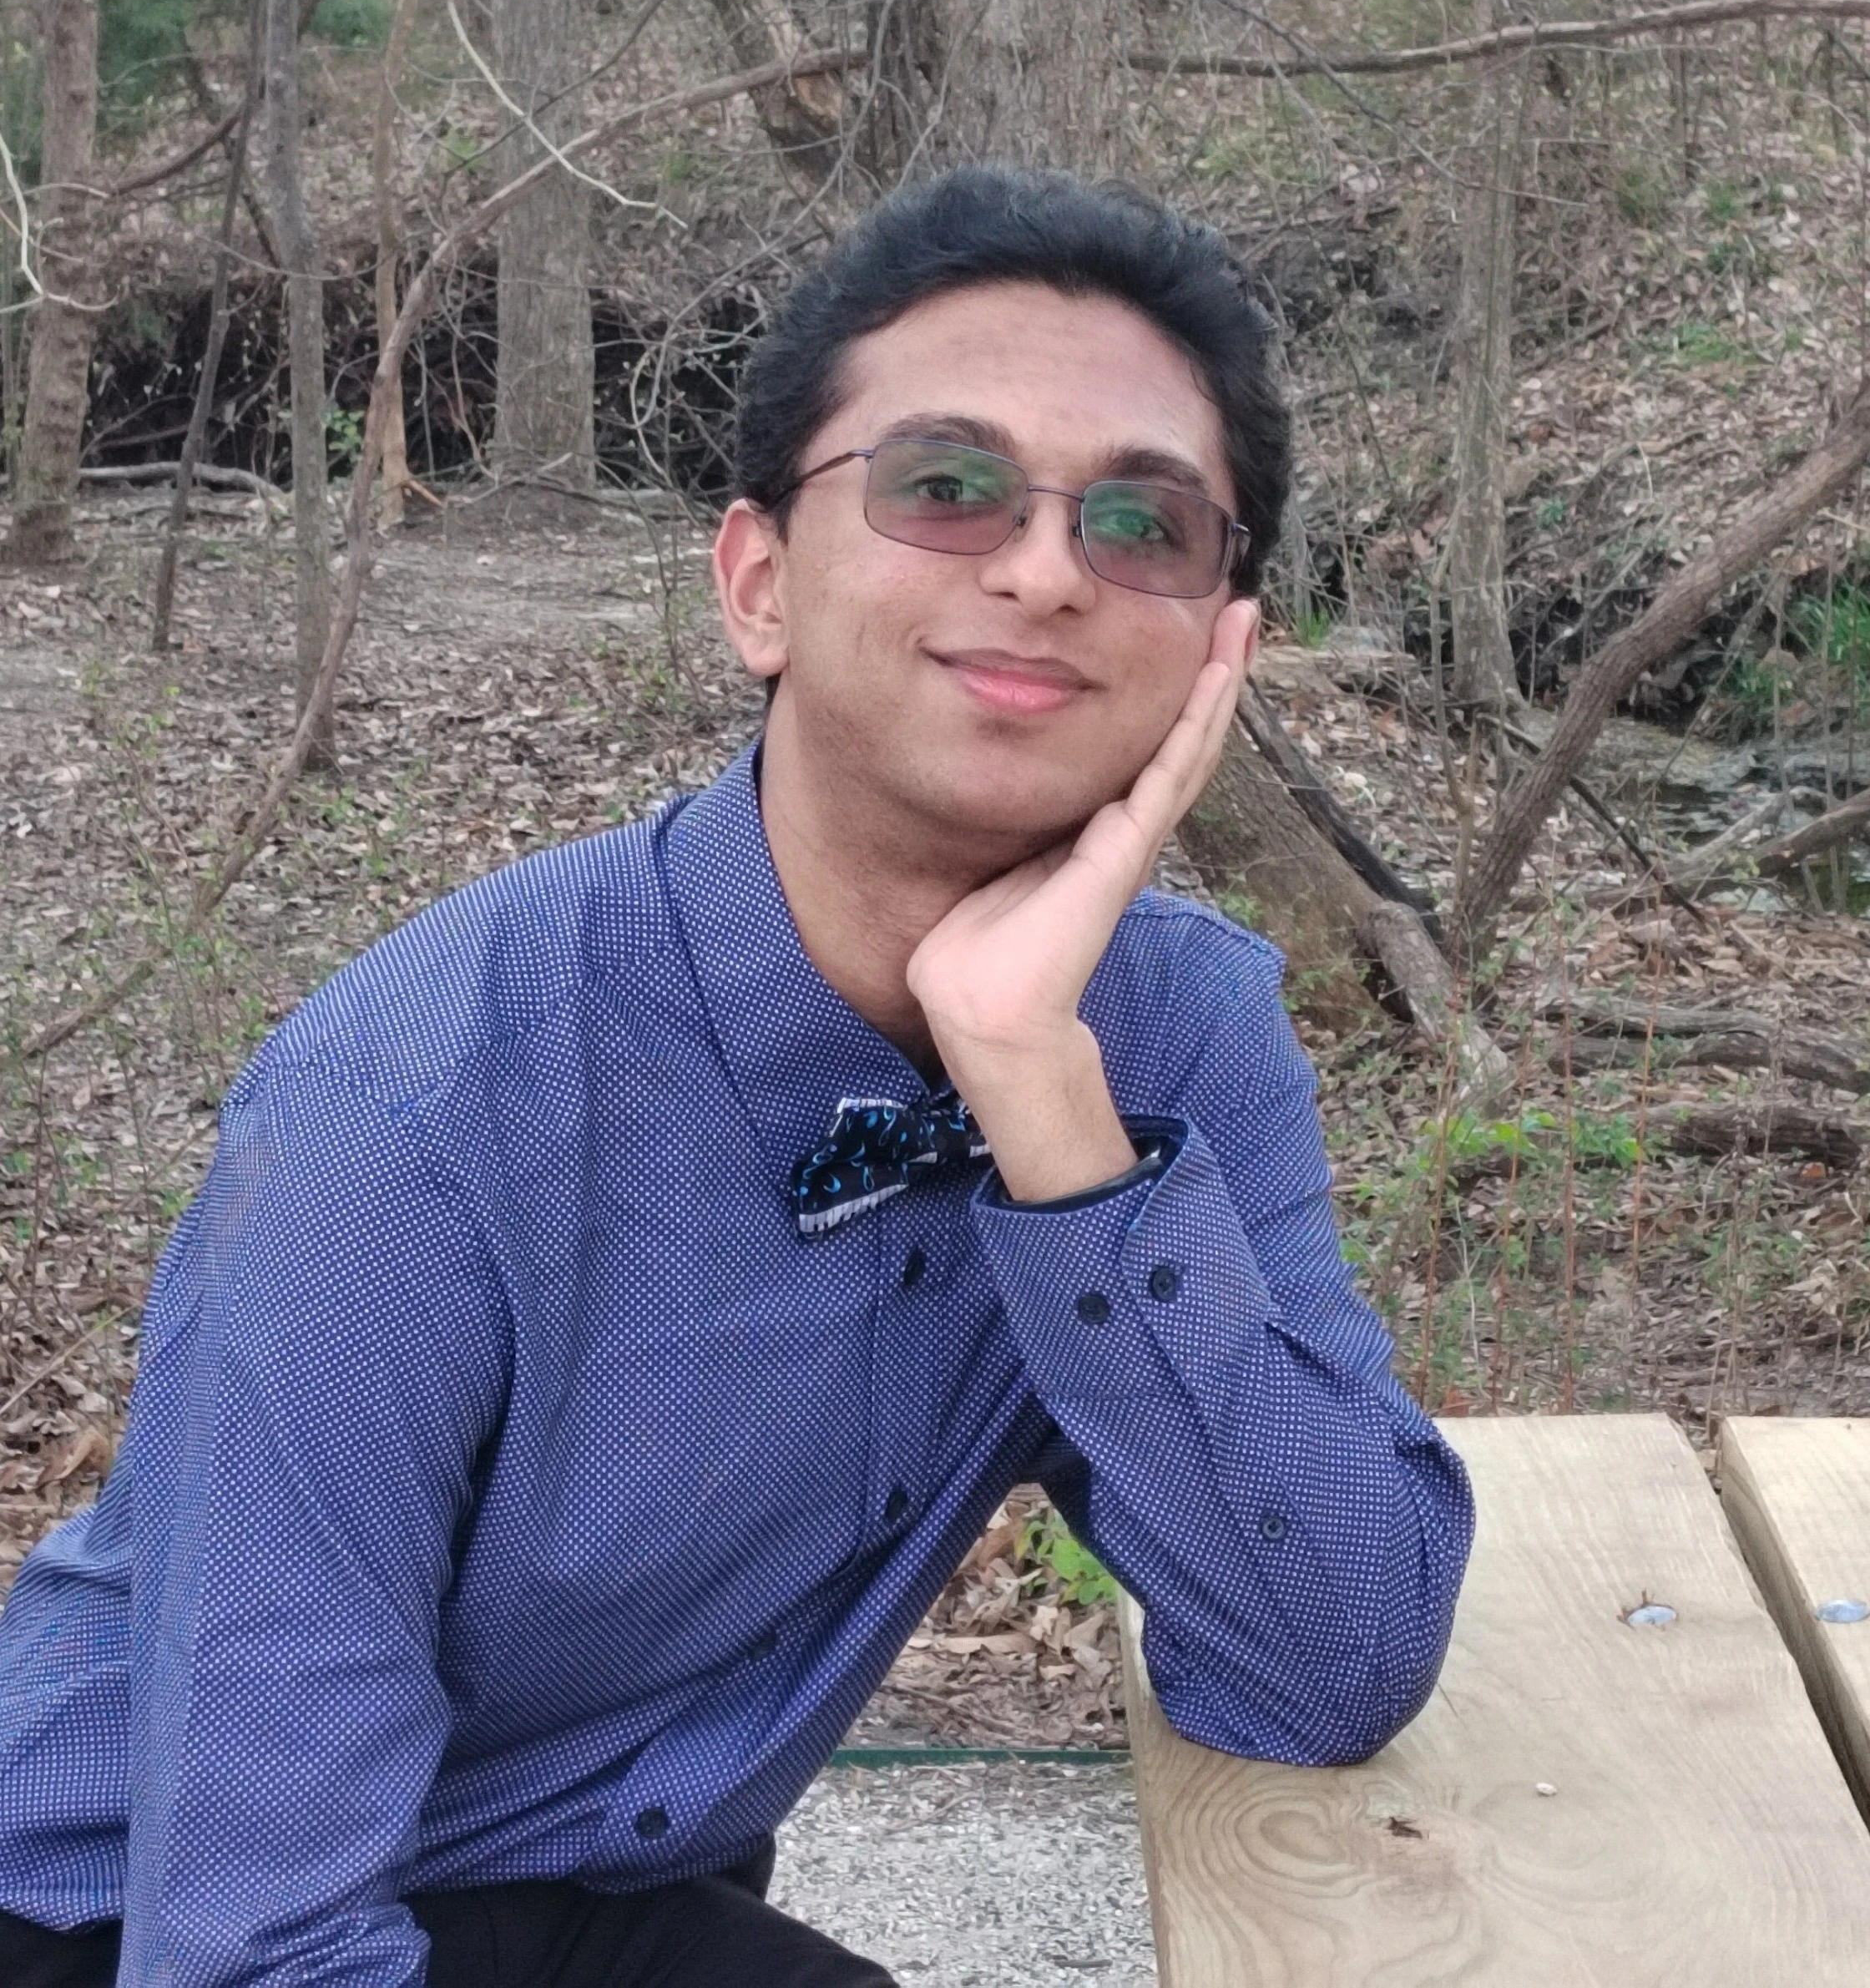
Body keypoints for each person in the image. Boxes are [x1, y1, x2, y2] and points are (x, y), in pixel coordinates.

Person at [0, 166, 1473, 1988]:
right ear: (759, 581)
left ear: (1216, 647)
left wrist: (1049, 1118)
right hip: (132, 1905)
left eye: (1141, 523)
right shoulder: (413, 1107)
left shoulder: (1170, 1033)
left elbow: (1329, 1659)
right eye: (947, 487)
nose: (1041, 567)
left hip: (594, 1889)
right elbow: (250, 1936)